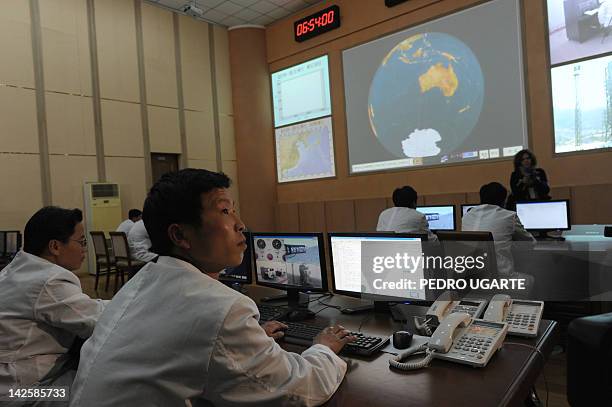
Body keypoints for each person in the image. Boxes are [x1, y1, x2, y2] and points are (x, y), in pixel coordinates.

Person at [70, 169, 354, 407]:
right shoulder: (221, 307)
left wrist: (243, 340)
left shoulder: (141, 284)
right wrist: (324, 348)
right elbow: (297, 390)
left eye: (235, 211)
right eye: (225, 211)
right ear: (180, 235)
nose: (240, 224)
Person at [0, 207, 106, 397]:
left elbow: (83, 307)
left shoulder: (18, 269)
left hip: (9, 380)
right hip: (24, 392)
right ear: (55, 246)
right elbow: (99, 322)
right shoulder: (49, 281)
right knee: (102, 389)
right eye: (81, 242)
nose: (84, 249)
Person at [462, 182, 535, 277]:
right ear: (503, 200)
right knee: (532, 277)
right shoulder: (509, 216)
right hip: (499, 279)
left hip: (470, 278)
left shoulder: (466, 216)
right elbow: (530, 243)